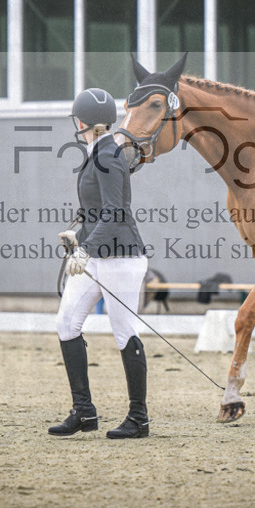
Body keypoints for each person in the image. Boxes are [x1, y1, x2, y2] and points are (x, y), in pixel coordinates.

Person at [49, 88, 151, 440]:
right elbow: (99, 206)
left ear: (83, 123)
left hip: (121, 258)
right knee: (66, 322)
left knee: (124, 332)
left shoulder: (107, 156)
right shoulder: (100, 152)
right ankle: (84, 411)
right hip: (96, 255)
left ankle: (138, 418)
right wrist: (77, 228)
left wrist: (85, 250)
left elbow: (115, 211)